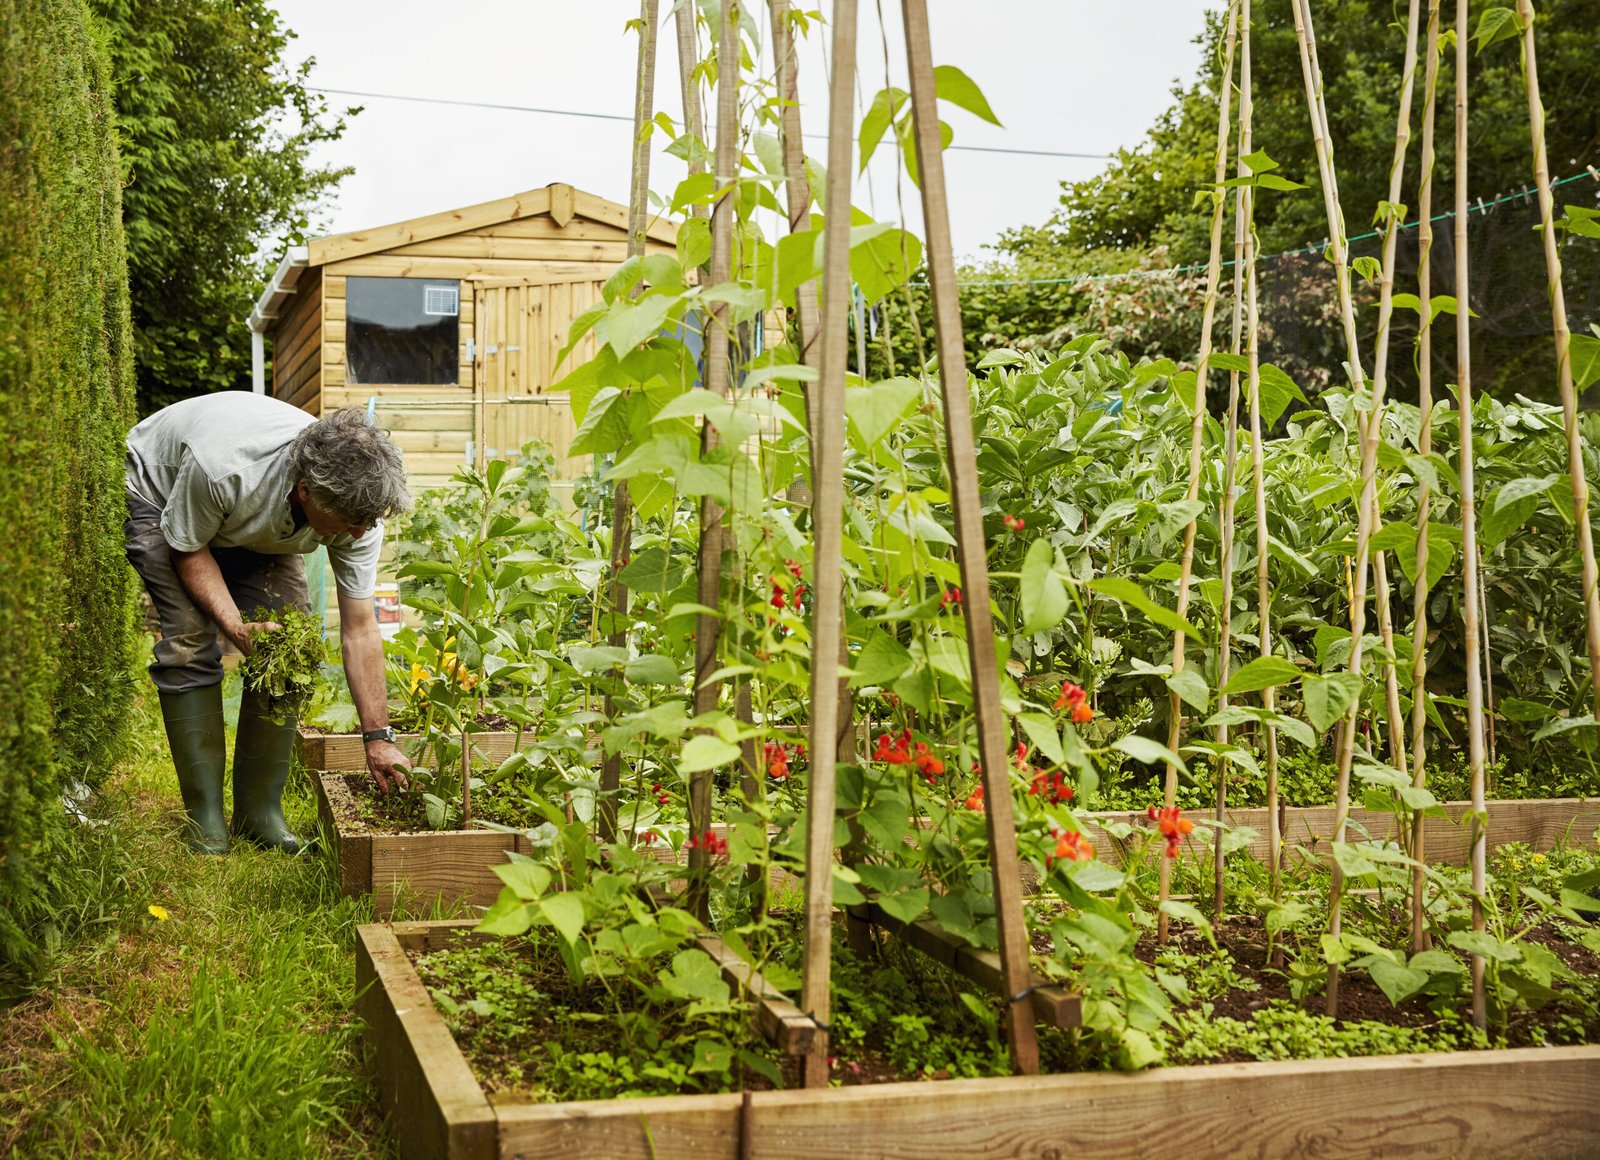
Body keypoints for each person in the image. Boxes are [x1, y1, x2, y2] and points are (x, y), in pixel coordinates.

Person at [124, 395, 414, 854]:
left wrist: (378, 738)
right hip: (161, 495)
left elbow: (360, 628)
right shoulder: (224, 467)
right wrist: (236, 627)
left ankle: (259, 814)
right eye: (350, 523)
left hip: (244, 516)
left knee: (289, 650)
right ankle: (205, 819)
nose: (360, 533)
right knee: (189, 641)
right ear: (305, 491)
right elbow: (188, 549)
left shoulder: (359, 512)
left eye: (368, 522)